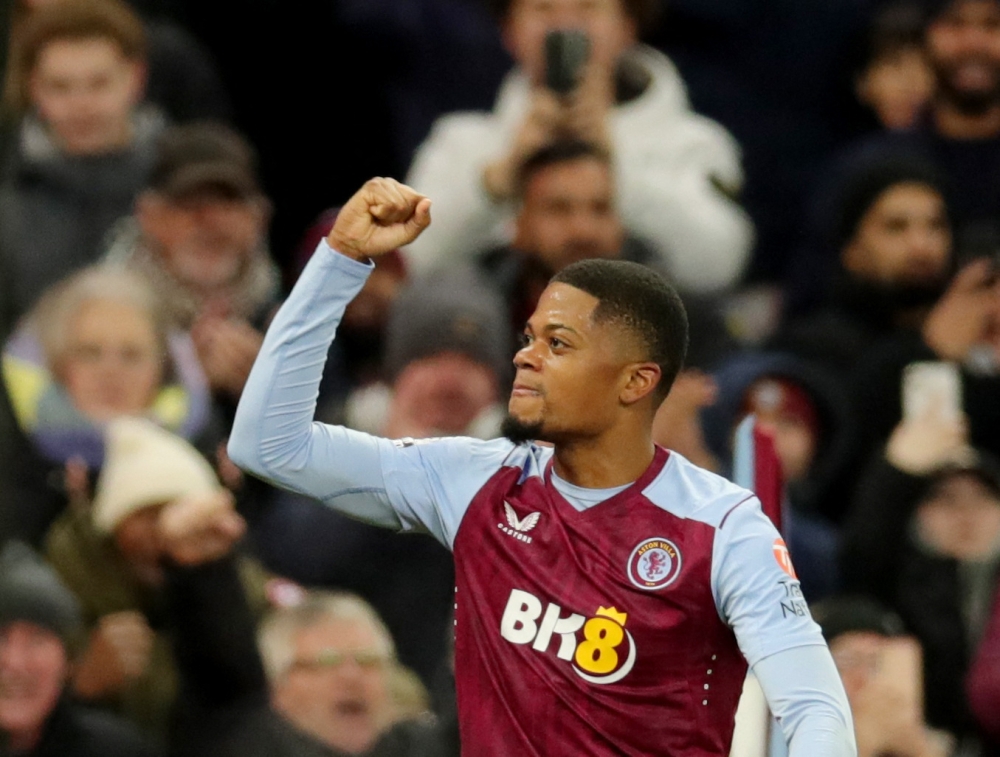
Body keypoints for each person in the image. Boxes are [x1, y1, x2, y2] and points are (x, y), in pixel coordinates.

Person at [228, 177, 855, 755]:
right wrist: (338, 263)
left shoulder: (724, 528)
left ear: (636, 381)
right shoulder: (473, 481)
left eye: (558, 344)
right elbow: (268, 444)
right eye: (528, 337)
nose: (525, 357)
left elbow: (814, 709)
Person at [403, 0, 753, 289]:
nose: (566, 27)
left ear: (628, 26)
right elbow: (408, 264)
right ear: (509, 32)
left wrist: (617, 171)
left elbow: (719, 266)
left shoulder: (692, 142)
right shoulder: (462, 142)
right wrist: (497, 183)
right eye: (543, 9)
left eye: (588, 8)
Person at [0, 0, 165, 321]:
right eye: (60, 87)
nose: (81, 105)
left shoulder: (188, 186)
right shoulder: (8, 212)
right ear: (34, 87)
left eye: (99, 83)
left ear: (136, 78)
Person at [103, 121, 279, 407]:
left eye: (226, 202)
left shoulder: (291, 315)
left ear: (258, 218)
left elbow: (332, 430)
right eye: (187, 204)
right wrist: (185, 383)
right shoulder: (102, 316)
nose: (208, 221)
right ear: (148, 216)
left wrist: (276, 393)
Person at [0, 541, 161, 757]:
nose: (15, 662)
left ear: (69, 663)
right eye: (2, 637)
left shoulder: (114, 749)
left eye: (37, 640)